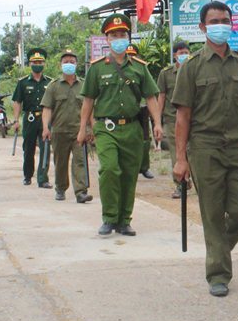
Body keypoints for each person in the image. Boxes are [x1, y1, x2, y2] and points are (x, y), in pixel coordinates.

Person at [172, 1, 238, 298]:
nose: (221, 25)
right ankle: (218, 273)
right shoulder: (191, 67)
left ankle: (217, 251)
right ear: (202, 28)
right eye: (214, 21)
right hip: (205, 148)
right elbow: (183, 116)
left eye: (225, 20)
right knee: (212, 212)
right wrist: (181, 159)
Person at [79, 14, 161, 236]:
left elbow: (151, 97)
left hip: (133, 129)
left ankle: (124, 220)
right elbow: (88, 101)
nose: (119, 38)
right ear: (107, 39)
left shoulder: (139, 67)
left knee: (129, 174)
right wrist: (83, 129)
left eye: (122, 34)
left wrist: (158, 123)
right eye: (114, 35)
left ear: (128, 37)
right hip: (106, 128)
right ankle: (109, 217)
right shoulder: (97, 68)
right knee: (109, 169)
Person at [41, 49, 93, 204]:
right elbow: (47, 108)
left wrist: (92, 128)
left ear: (76, 64)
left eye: (72, 62)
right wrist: (45, 128)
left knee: (80, 161)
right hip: (59, 131)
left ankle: (81, 192)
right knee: (61, 162)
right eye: (66, 62)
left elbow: (90, 108)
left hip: (79, 131)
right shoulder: (53, 86)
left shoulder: (84, 85)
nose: (69, 64)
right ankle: (60, 188)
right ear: (60, 65)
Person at [12, 48, 53, 188]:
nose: (38, 64)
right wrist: (16, 120)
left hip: (45, 119)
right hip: (29, 118)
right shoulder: (22, 82)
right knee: (28, 148)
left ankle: (43, 179)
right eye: (35, 62)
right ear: (30, 64)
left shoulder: (50, 82)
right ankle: (28, 176)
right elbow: (17, 102)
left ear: (44, 64)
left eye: (40, 61)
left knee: (45, 148)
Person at [157, 41, 190, 199]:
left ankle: (194, 182)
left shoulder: (193, 69)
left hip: (193, 120)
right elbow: (161, 96)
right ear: (175, 55)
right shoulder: (166, 73)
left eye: (186, 52)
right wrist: (158, 120)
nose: (183, 55)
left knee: (194, 152)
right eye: (180, 52)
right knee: (176, 154)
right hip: (172, 120)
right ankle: (180, 186)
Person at [126, 43, 156, 180]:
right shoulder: (116, 68)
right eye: (129, 54)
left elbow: (150, 94)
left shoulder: (141, 68)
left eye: (133, 55)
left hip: (141, 109)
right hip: (125, 111)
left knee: (145, 140)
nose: (131, 57)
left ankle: (144, 167)